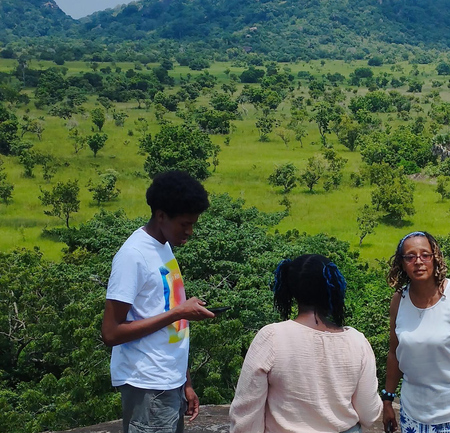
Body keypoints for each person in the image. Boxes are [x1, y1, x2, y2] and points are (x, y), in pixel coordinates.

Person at [101, 170, 214, 433]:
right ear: (161, 216)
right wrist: (178, 313)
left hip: (169, 382)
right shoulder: (133, 255)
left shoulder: (163, 246)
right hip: (147, 386)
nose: (190, 231)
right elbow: (110, 332)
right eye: (184, 224)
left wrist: (185, 381)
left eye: (193, 224)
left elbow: (169, 323)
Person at [229, 254, 382, 433]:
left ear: (289, 287)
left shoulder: (272, 337)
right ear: (333, 287)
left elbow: (246, 416)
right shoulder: (357, 341)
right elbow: (369, 414)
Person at [382, 231, 450, 433]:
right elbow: (394, 354)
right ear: (402, 263)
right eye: (410, 257)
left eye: (425, 255)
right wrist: (387, 399)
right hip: (413, 415)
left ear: (435, 258)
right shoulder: (399, 301)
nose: (418, 262)